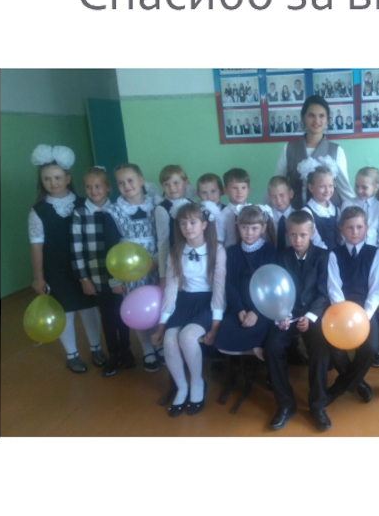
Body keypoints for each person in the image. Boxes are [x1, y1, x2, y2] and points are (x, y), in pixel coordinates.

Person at [28, 145, 101, 373]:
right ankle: (72, 354)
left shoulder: (84, 203)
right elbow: (36, 246)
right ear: (41, 181)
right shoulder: (38, 211)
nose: (53, 182)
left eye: (58, 177)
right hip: (56, 270)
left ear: (68, 178)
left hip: (83, 268)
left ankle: (96, 348)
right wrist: (38, 276)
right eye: (47, 179)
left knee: (89, 309)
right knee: (64, 312)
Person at [150, 203, 226, 417]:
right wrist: (162, 324)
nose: (188, 227)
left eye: (193, 222)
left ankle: (197, 383)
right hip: (184, 301)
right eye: (183, 223)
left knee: (187, 337)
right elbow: (171, 289)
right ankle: (182, 387)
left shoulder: (217, 251)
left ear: (204, 225)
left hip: (207, 302)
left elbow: (219, 288)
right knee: (169, 340)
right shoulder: (176, 251)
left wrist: (215, 324)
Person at [265, 210, 334, 431]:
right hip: (288, 314)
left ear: (312, 233)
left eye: (303, 235)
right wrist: (282, 316)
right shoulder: (282, 257)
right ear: (287, 234)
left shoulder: (323, 256)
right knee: (273, 346)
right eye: (293, 235)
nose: (298, 240)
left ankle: (318, 406)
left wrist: (311, 317)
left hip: (314, 315)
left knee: (320, 349)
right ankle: (285, 404)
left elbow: (324, 293)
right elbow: (277, 290)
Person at [105, 163, 162, 372]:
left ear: (141, 180)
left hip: (156, 264)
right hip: (129, 269)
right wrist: (115, 278)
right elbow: (110, 247)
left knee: (157, 304)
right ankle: (147, 349)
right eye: (121, 183)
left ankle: (159, 343)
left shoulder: (157, 205)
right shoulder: (113, 212)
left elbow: (164, 237)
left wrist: (157, 261)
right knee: (138, 306)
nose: (127, 185)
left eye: (130, 180)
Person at [325, 207, 379, 404]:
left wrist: (363, 318)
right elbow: (334, 288)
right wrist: (344, 316)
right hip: (340, 310)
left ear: (366, 228)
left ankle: (340, 386)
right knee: (334, 347)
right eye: (349, 227)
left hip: (366, 311)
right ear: (341, 229)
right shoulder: (334, 254)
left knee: (371, 346)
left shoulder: (375, 254)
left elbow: (375, 291)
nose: (355, 232)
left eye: (359, 227)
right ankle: (358, 384)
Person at [71, 166, 125, 376]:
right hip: (97, 275)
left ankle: (126, 350)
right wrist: (83, 277)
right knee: (108, 316)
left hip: (120, 274)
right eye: (88, 187)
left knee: (123, 313)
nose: (93, 191)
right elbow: (76, 248)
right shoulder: (80, 213)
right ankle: (113, 354)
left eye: (98, 186)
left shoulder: (117, 210)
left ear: (108, 187)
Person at [215, 206, 277, 357]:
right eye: (244, 228)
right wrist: (239, 310)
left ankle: (256, 349)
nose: (249, 233)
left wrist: (255, 312)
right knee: (222, 338)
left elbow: (271, 286)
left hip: (262, 309)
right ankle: (252, 349)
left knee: (265, 328)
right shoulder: (232, 252)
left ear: (263, 228)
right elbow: (230, 284)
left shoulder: (270, 252)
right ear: (238, 227)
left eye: (254, 228)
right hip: (239, 307)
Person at [273, 95, 355, 210]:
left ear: (327, 119)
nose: (316, 120)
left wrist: (356, 213)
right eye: (311, 115)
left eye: (321, 116)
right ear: (303, 118)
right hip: (296, 213)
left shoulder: (336, 151)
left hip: (328, 213)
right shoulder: (289, 148)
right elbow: (276, 185)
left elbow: (345, 189)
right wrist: (264, 210)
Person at [154, 165, 193, 291]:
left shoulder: (193, 205)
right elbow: (163, 243)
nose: (172, 188)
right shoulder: (162, 209)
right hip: (175, 261)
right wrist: (163, 276)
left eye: (176, 183)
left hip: (193, 260)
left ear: (186, 183)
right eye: (167, 184)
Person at [342, 166, 379, 249]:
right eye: (357, 186)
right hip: (350, 250)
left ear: (376, 187)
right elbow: (342, 230)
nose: (359, 190)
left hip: (372, 250)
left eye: (364, 187)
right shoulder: (347, 204)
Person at [301, 163, 340, 251]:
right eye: (322, 186)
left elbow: (341, 235)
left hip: (337, 253)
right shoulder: (307, 212)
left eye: (330, 186)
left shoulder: (335, 210)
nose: (327, 190)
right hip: (319, 253)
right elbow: (315, 239)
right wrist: (328, 254)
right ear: (311, 187)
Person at [219, 168, 252, 247]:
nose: (240, 192)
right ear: (225, 190)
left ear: (248, 189)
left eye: (243, 187)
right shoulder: (222, 215)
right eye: (234, 188)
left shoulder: (254, 211)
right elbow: (220, 241)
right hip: (231, 252)